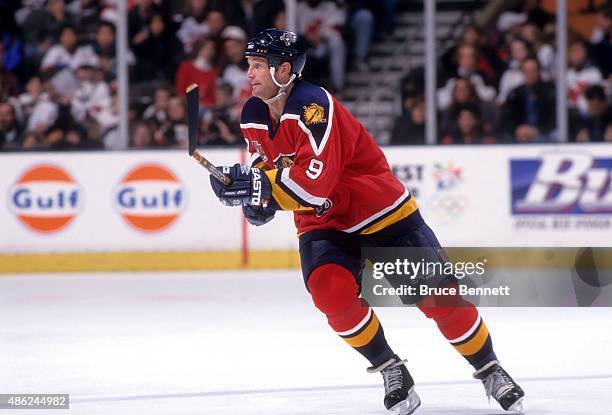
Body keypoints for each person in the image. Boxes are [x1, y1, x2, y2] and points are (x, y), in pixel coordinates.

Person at [207, 28, 525, 414]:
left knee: (441, 298)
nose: (250, 74)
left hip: (382, 214)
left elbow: (316, 183)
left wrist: (262, 188)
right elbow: (268, 164)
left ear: (284, 69)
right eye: (250, 65)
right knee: (330, 295)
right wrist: (257, 200)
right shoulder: (252, 113)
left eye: (258, 65)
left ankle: (489, 367)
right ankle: (391, 367)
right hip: (324, 224)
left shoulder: (312, 105)